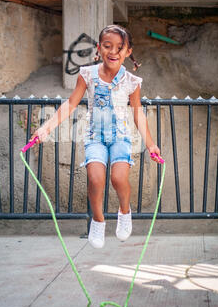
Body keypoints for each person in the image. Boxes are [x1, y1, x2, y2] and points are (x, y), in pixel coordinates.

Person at [31, 24, 163, 249]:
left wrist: (151, 144)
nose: (113, 52)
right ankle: (98, 221)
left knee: (118, 178)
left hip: (121, 137)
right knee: (95, 178)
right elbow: (71, 104)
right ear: (98, 48)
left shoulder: (132, 82)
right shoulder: (87, 75)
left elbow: (138, 112)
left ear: (128, 52)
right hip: (95, 137)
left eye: (120, 48)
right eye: (107, 46)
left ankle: (124, 212)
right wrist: (47, 127)